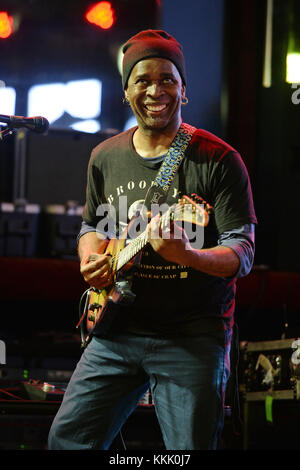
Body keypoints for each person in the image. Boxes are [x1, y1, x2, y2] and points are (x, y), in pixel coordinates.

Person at [48, 29, 257, 450]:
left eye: (167, 79)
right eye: (142, 80)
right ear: (126, 91)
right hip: (116, 331)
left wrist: (189, 255)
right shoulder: (105, 156)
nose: (155, 90)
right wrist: (90, 259)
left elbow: (243, 251)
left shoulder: (218, 159)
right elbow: (92, 227)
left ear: (184, 90)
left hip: (191, 334)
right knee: (67, 441)